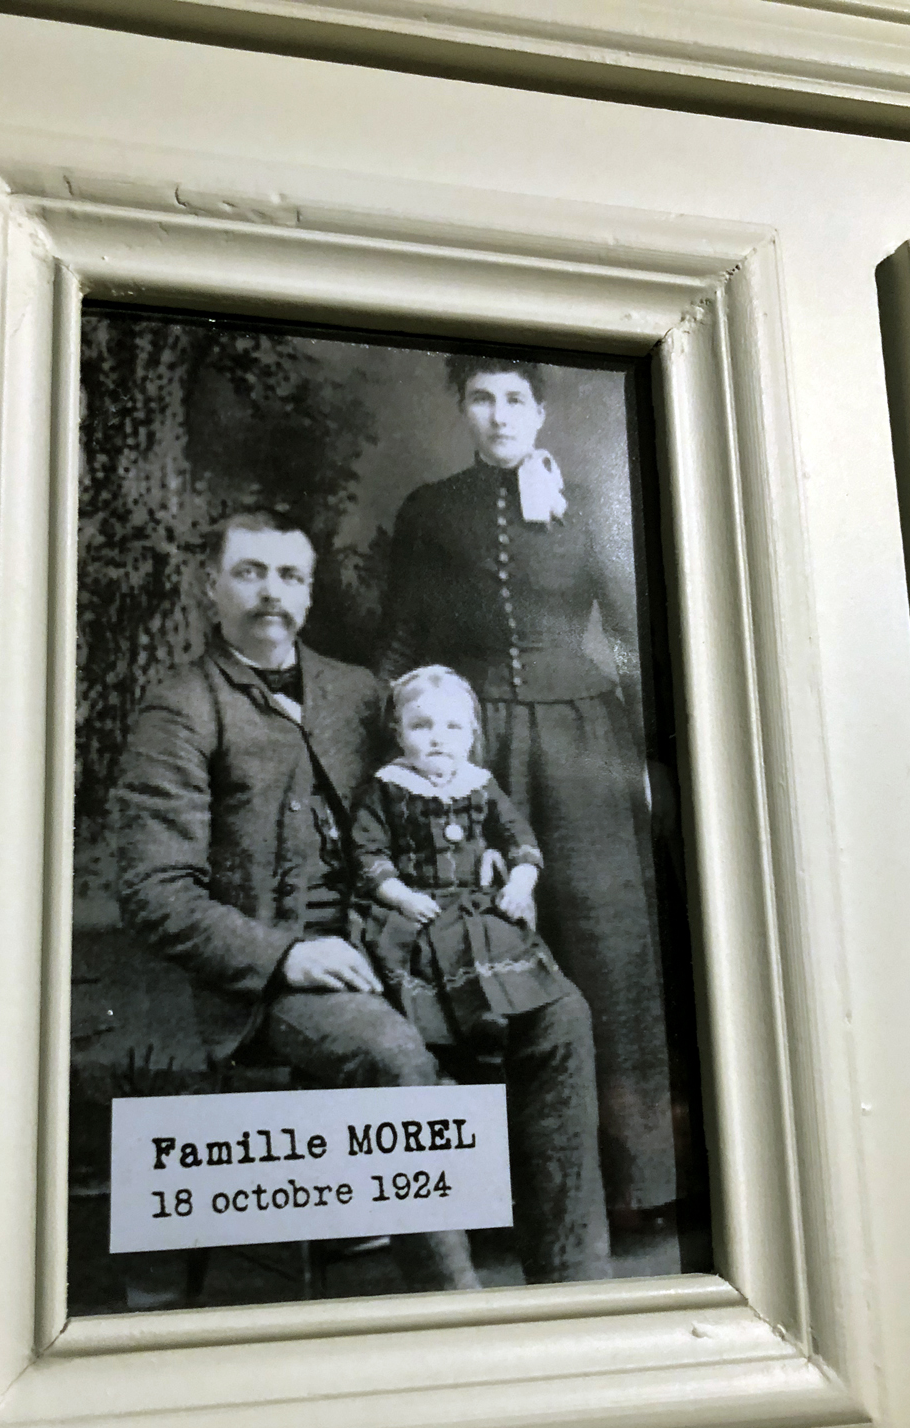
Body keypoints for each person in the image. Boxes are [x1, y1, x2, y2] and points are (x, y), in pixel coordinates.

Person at [115, 509, 479, 1294]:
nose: (270, 594)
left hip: (391, 943)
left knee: (556, 1018)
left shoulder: (357, 692)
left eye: (289, 576)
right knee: (392, 1054)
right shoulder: (180, 709)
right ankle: (460, 1312)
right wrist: (287, 955)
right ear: (210, 585)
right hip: (271, 985)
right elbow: (153, 892)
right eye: (249, 573)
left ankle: (572, 1283)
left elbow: (430, 793)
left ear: (310, 594)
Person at [378, 356, 679, 1229]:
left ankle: (637, 1185)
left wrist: (654, 756)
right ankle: (504, 1190)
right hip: (475, 751)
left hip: (585, 746)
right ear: (462, 409)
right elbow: (402, 635)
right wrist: (381, 745)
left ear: (540, 411)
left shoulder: (587, 502)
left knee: (605, 943)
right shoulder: (431, 511)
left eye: (515, 398)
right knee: (490, 944)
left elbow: (631, 638)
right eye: (481, 398)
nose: (499, 414)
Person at [352, 666, 611, 1281]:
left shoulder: (481, 785)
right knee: (430, 1002)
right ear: (399, 732)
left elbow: (519, 839)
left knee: (528, 983)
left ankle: (497, 1023)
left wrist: (521, 881)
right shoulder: (387, 788)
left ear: (471, 734)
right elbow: (368, 853)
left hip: (478, 910)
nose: (437, 738)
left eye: (451, 727)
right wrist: (397, 894)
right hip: (421, 913)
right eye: (421, 725)